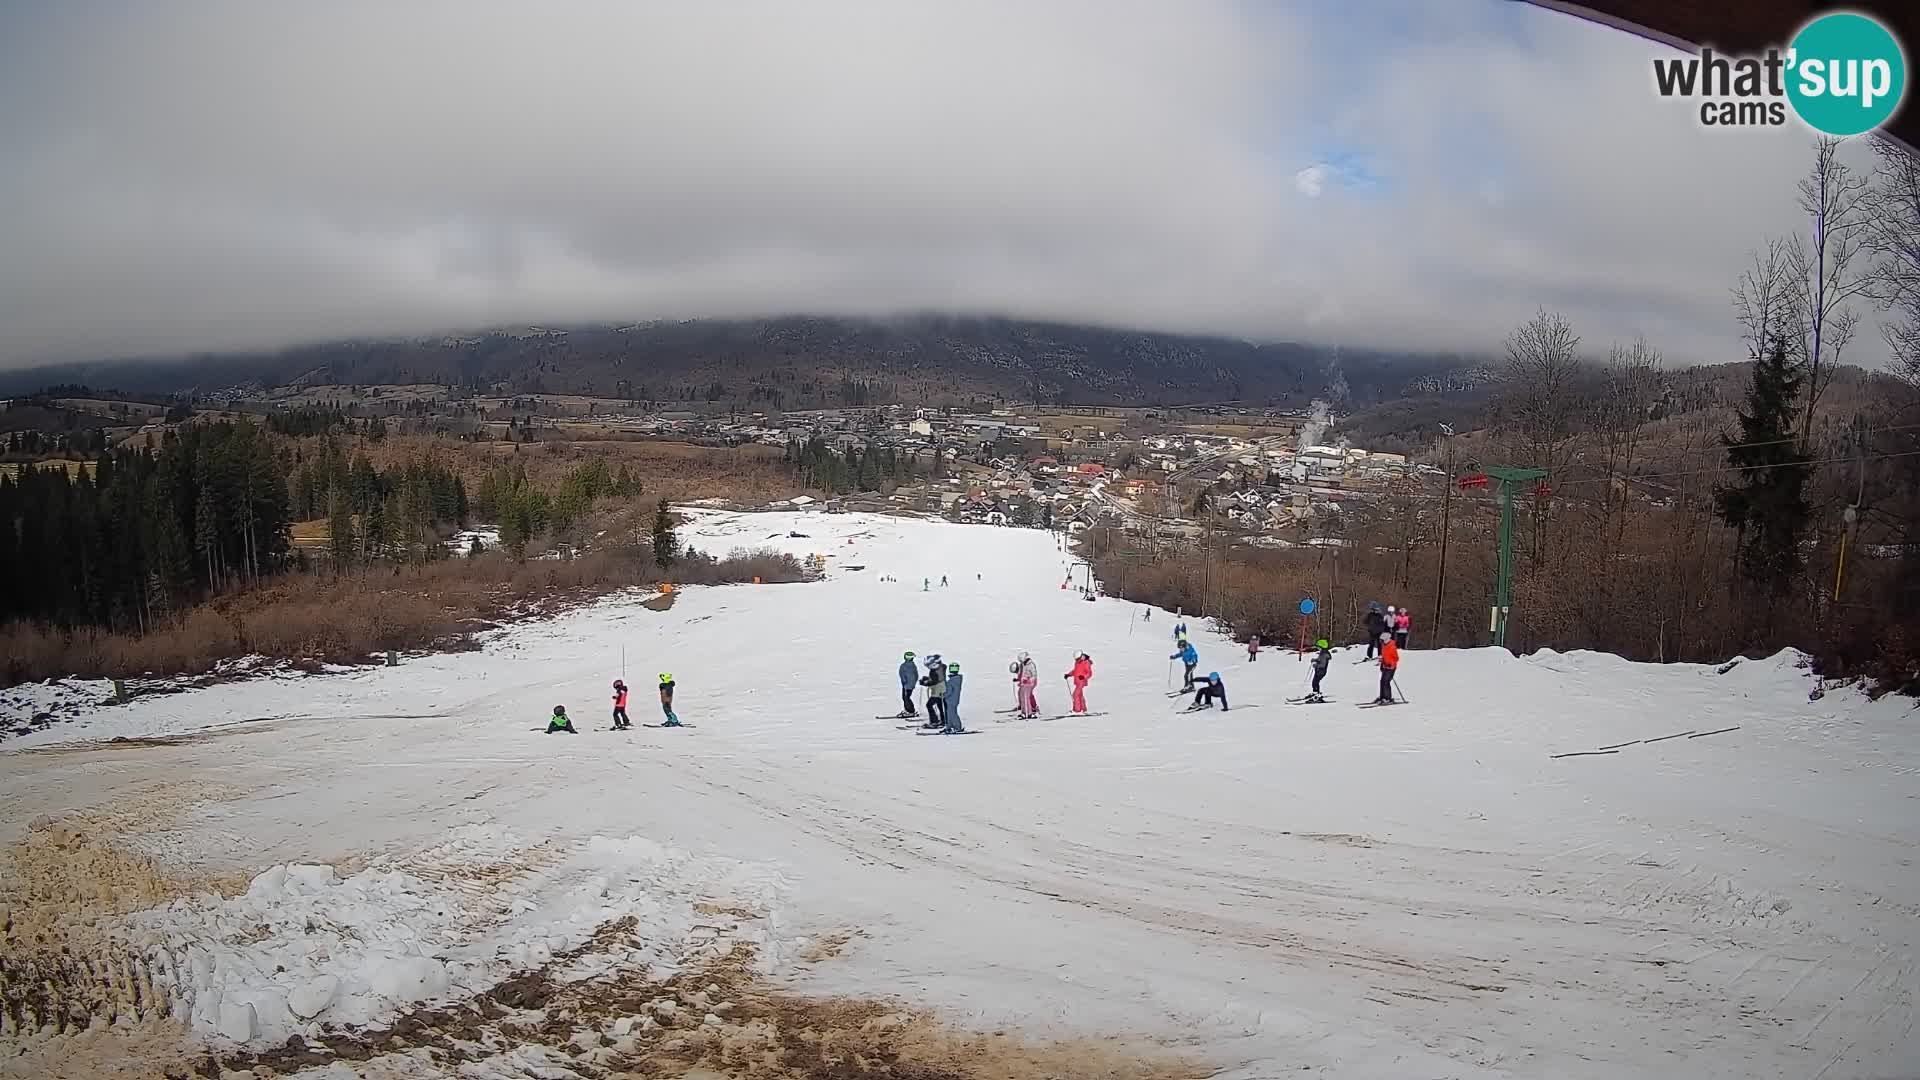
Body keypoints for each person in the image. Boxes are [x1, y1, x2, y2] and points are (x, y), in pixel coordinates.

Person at [920, 654, 949, 729]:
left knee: (929, 705)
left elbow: (934, 681)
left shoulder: (934, 671)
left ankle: (934, 722)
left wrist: (925, 683)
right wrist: (927, 679)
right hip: (942, 690)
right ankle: (943, 721)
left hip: (937, 692)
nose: (928, 667)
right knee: (940, 706)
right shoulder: (941, 667)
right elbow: (936, 679)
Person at [1014, 650, 1040, 718]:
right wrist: (1018, 679)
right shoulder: (1023, 665)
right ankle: (1023, 712)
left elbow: (1034, 675)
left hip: (1029, 684)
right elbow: (1022, 674)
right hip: (1023, 684)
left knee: (1026, 697)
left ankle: (1029, 713)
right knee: (1022, 696)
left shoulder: (1030, 665)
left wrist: (1028, 680)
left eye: (1021, 660)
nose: (1021, 662)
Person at [1375, 634, 1399, 705]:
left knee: (1386, 682)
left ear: (1386, 640)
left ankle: (1388, 698)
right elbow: (1384, 656)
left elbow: (1396, 658)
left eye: (1382, 640)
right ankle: (1382, 697)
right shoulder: (1384, 646)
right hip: (1385, 666)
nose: (1380, 642)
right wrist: (1381, 661)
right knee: (1382, 681)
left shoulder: (1392, 647)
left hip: (1391, 668)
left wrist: (1390, 664)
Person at [943, 661, 966, 733]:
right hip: (953, 700)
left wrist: (943, 695)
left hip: (951, 700)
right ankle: (949, 726)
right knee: (949, 713)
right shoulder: (956, 680)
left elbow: (949, 691)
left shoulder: (952, 681)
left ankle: (957, 727)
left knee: (952, 714)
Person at [898, 651, 920, 718]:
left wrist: (905, 682)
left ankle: (910, 711)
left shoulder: (905, 666)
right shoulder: (912, 665)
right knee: (905, 697)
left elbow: (903, 675)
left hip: (907, 685)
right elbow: (916, 676)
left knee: (906, 698)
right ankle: (907, 709)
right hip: (908, 685)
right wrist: (913, 683)